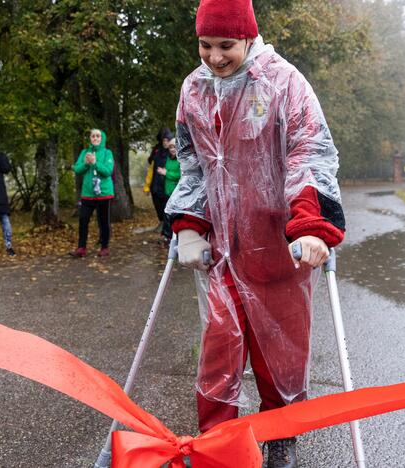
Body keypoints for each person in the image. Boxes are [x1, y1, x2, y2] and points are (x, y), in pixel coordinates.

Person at [164, 1, 345, 465]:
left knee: (279, 357)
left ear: (248, 38)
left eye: (225, 45)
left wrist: (310, 225)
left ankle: (281, 435)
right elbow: (193, 163)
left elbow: (309, 152)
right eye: (205, 45)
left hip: (281, 248)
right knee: (219, 353)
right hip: (222, 251)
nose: (214, 56)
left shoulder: (284, 82)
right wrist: (189, 226)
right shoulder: (194, 90)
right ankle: (217, 445)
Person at [69, 129, 115, 258]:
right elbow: (77, 169)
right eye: (93, 136)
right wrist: (86, 163)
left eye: (98, 136)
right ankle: (81, 248)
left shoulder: (107, 153)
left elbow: (108, 171)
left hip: (104, 193)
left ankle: (104, 247)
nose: (95, 138)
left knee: (103, 221)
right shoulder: (84, 152)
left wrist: (95, 163)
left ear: (102, 138)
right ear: (90, 138)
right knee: (83, 219)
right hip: (88, 193)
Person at [143, 127, 173, 243]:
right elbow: (151, 170)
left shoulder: (173, 153)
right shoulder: (156, 152)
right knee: (160, 211)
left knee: (167, 211)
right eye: (164, 140)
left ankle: (167, 234)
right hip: (155, 187)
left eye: (167, 140)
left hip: (167, 188)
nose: (165, 143)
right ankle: (165, 230)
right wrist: (147, 186)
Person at [161, 140, 181, 244]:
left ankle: (175, 237)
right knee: (167, 214)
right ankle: (168, 236)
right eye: (170, 147)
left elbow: (179, 175)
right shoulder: (169, 159)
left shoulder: (181, 160)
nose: (172, 149)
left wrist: (166, 173)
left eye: (174, 147)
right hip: (167, 191)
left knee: (175, 215)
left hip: (176, 193)